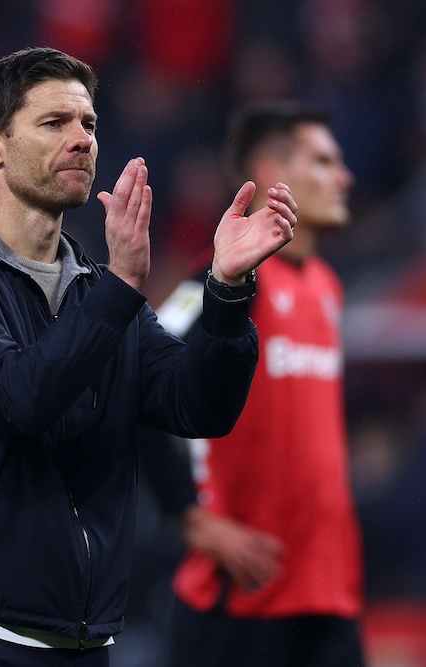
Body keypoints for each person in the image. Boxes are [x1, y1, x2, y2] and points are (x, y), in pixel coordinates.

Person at [0, 46, 297, 666]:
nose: (81, 139)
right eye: (55, 123)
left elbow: (197, 405)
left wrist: (227, 291)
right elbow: (19, 398)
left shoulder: (93, 286)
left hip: (78, 639)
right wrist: (121, 288)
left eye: (89, 124)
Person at [158, 100, 364, 666]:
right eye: (324, 161)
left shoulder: (327, 286)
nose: (344, 177)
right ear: (275, 174)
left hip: (330, 592)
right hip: (244, 596)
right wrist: (191, 517)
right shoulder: (225, 281)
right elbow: (135, 383)